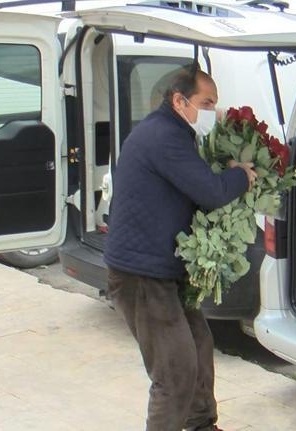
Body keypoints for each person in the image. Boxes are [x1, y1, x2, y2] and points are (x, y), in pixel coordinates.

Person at [104, 64, 256, 431]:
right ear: (179, 100)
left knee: (198, 347)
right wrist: (242, 175)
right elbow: (211, 192)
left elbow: (192, 190)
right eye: (207, 103)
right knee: (174, 373)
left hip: (162, 271)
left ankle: (202, 425)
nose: (211, 111)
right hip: (141, 275)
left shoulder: (171, 132)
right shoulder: (165, 138)